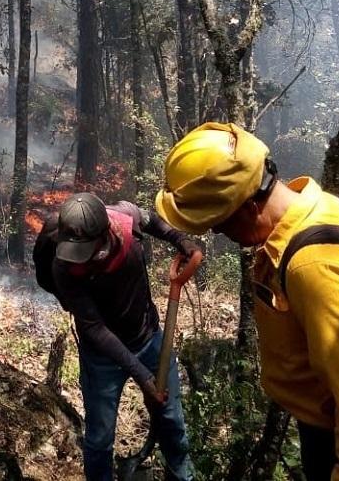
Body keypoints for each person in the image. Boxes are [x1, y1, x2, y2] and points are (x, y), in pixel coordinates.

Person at [155, 122, 339, 481]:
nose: (218, 233)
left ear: (249, 206)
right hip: (328, 423)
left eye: (218, 223)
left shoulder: (317, 267)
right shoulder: (318, 206)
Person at [46, 192, 200, 481]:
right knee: (100, 439)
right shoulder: (62, 266)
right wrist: (143, 377)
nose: (81, 258)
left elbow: (153, 220)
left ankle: (182, 477)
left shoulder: (125, 216)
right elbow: (94, 328)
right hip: (101, 357)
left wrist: (182, 240)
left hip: (148, 340)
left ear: (104, 233)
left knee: (172, 421)